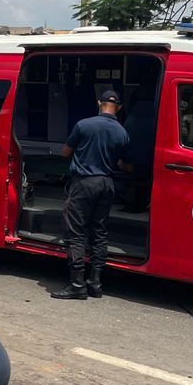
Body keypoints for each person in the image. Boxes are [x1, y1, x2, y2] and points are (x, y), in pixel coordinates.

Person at [52, 89, 132, 301]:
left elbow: (65, 153)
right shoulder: (122, 133)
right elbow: (124, 165)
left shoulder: (84, 125)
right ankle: (95, 283)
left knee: (76, 232)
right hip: (107, 184)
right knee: (99, 232)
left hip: (84, 183)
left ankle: (77, 284)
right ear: (119, 107)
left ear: (99, 103)